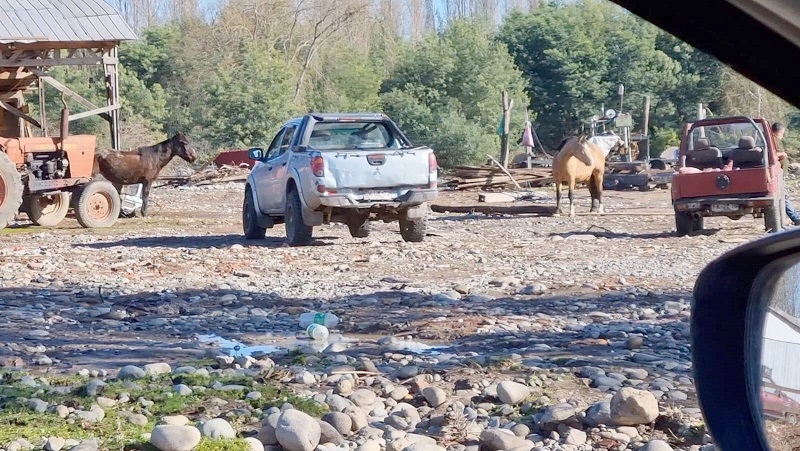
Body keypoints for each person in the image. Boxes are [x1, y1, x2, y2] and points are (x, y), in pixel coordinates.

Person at [773, 122, 800, 226]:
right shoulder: (772, 140)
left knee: (783, 195)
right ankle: (795, 218)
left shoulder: (775, 139)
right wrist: (782, 154)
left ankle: (793, 216)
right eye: (782, 132)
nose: (783, 135)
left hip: (780, 173)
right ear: (779, 131)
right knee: (784, 195)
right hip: (776, 173)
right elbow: (771, 154)